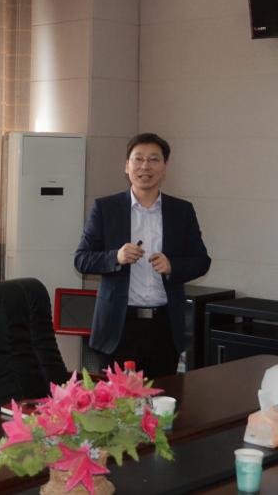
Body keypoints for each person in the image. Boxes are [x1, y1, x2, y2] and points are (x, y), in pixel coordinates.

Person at [74, 132, 210, 377]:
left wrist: (173, 266)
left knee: (163, 398)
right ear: (127, 166)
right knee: (117, 400)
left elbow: (201, 261)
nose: (145, 166)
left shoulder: (181, 211)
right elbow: (81, 259)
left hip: (164, 327)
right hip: (118, 328)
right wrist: (115, 257)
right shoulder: (106, 208)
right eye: (138, 159)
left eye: (154, 159)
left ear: (164, 167)